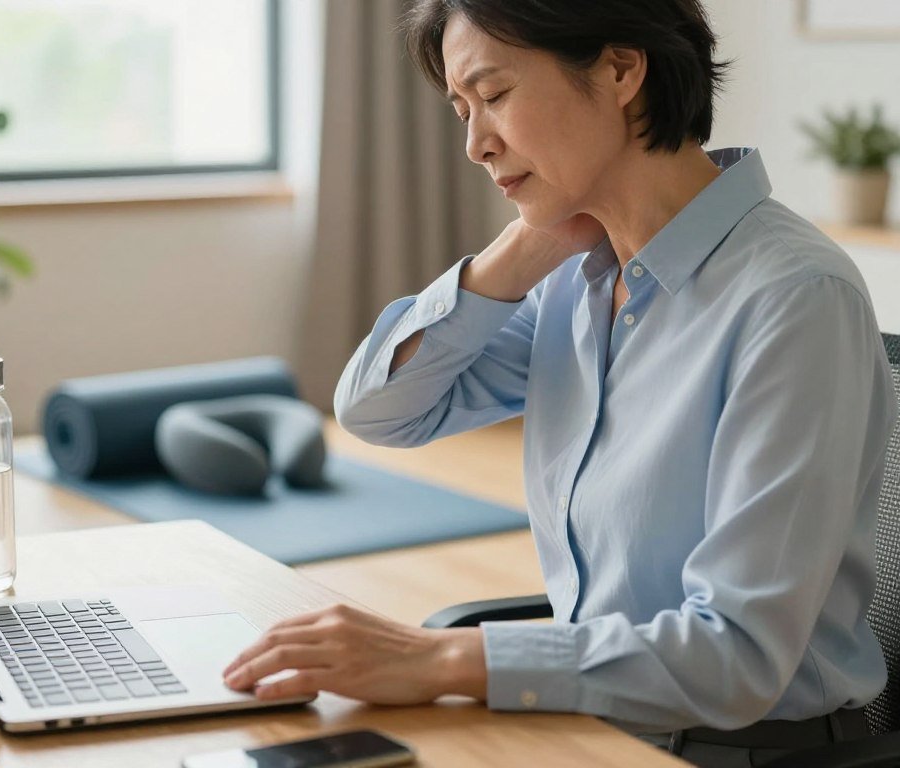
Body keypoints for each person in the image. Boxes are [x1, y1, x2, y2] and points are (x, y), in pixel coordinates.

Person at [223, 1, 896, 763]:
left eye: (496, 94)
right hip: (588, 726)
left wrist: (444, 659)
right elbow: (379, 412)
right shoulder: (574, 284)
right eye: (461, 108)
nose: (475, 143)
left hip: (739, 753)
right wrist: (513, 256)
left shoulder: (794, 298)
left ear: (619, 69)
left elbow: (737, 656)